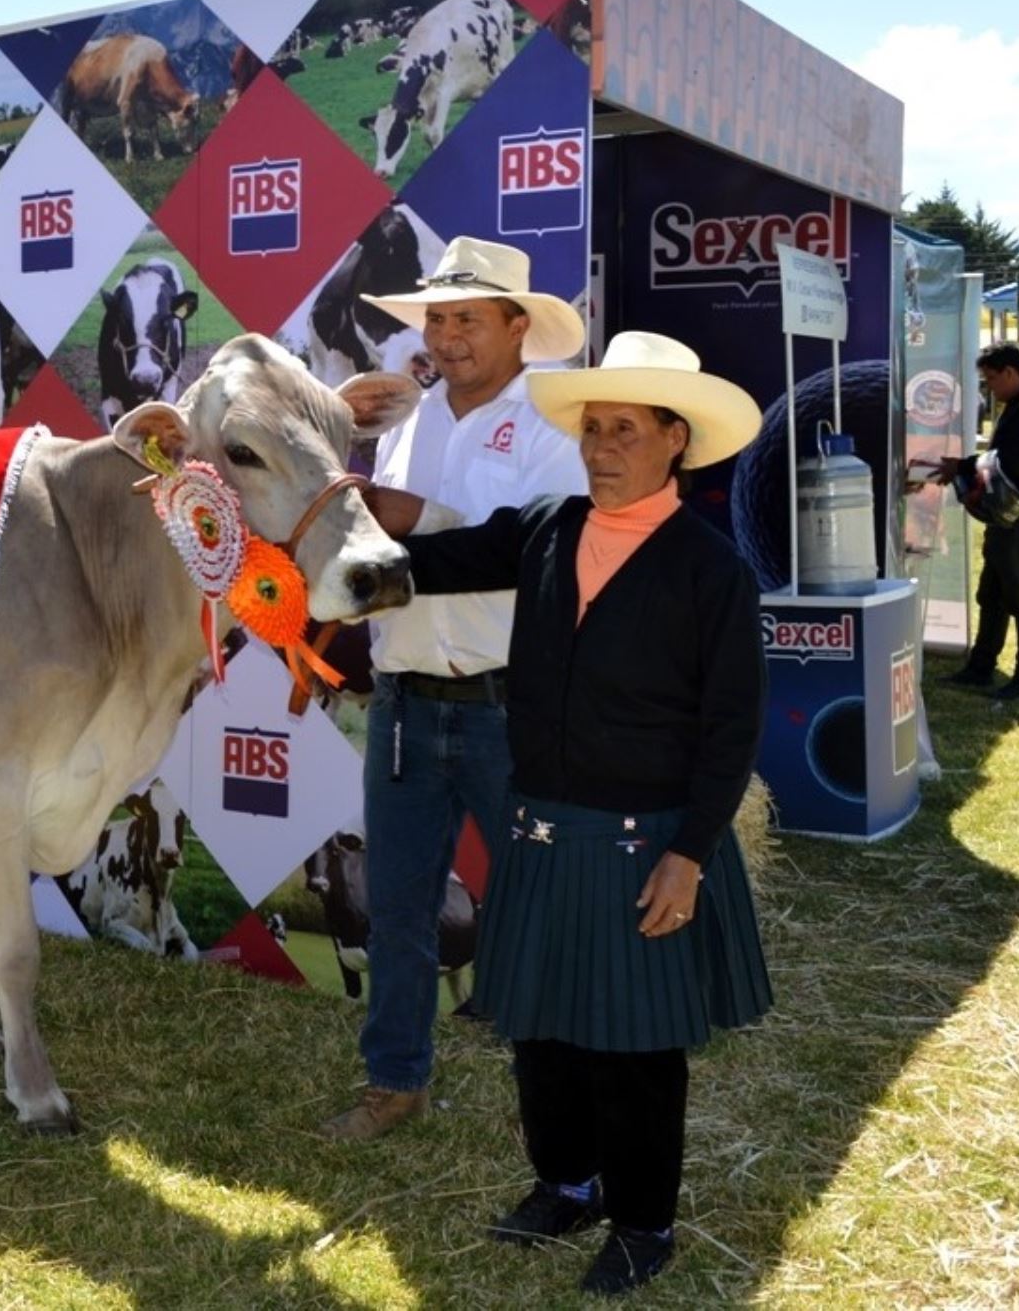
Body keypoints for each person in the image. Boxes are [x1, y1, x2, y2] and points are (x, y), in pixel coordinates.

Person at [363, 331, 773, 1296]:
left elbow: (731, 730)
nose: (600, 448)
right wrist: (322, 540)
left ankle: (643, 1222)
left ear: (676, 439)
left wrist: (691, 853)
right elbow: (437, 556)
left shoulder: (711, 570)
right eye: (592, 428)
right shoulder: (544, 523)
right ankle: (565, 1181)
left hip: (643, 842)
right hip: (539, 827)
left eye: (624, 430)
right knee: (540, 1029)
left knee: (633, 1046)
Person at [318, 237, 588, 1142]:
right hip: (403, 706)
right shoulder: (404, 420)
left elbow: (524, 550)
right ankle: (394, 1081)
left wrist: (403, 529)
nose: (448, 335)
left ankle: (559, 1094)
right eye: (437, 318)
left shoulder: (557, 421)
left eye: (467, 317)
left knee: (541, 912)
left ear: (519, 326)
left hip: (509, 711)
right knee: (396, 910)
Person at [934, 343, 1019, 700]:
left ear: (1010, 372)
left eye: (992, 378)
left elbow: (1012, 464)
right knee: (991, 594)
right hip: (1010, 517)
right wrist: (963, 466)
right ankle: (980, 667)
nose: (989, 387)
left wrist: (962, 468)